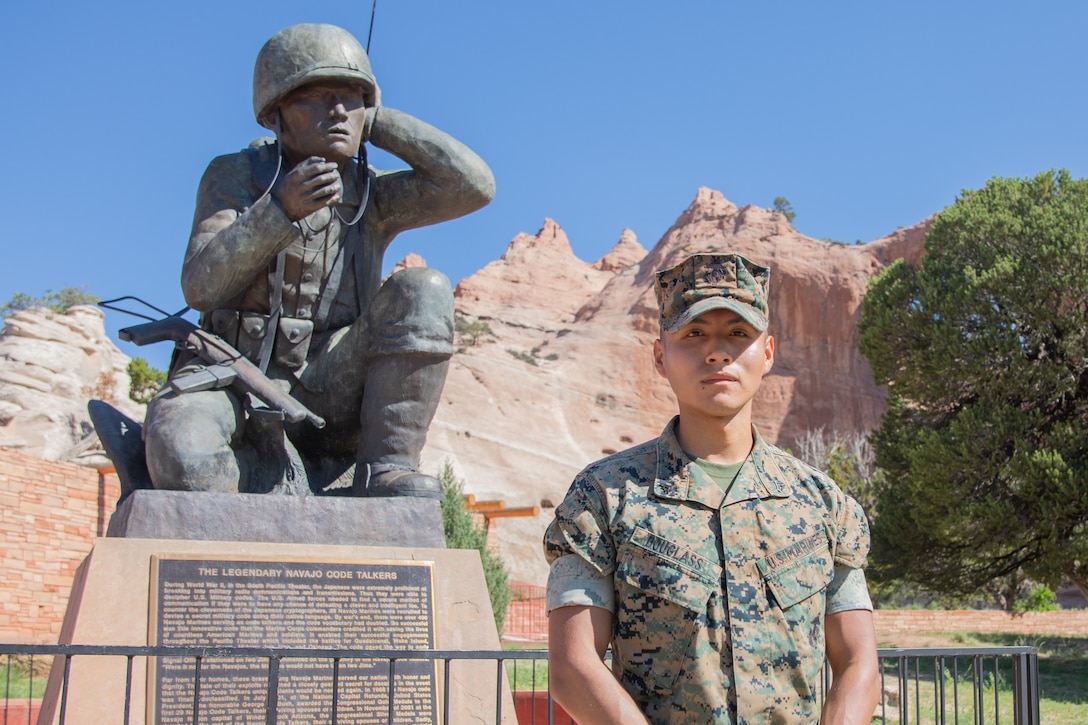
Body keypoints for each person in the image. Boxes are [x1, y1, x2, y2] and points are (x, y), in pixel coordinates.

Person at [143, 23, 494, 499]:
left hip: (329, 389)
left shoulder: (370, 192)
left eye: (351, 97)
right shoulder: (236, 175)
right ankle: (267, 475)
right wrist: (278, 210)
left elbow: (473, 186)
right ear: (276, 112)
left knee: (423, 287)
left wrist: (376, 120)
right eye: (318, 96)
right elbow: (200, 287)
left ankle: (384, 470)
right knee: (183, 455)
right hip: (232, 383)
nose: (338, 111)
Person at [543, 253, 880, 723]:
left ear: (767, 353)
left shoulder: (823, 505)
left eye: (738, 334)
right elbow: (573, 667)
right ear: (661, 357)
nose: (717, 352)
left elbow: (857, 663)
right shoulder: (603, 498)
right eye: (693, 334)